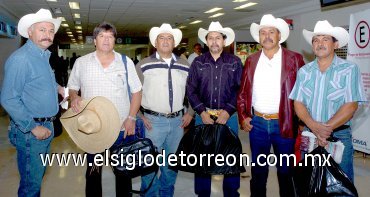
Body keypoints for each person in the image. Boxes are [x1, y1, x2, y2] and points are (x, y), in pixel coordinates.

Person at [67, 21, 142, 197]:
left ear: (115, 40)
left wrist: (131, 118)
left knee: (123, 173)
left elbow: (137, 92)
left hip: (121, 128)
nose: (106, 40)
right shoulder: (82, 62)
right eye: (102, 36)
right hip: (93, 129)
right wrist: (74, 96)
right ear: (94, 40)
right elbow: (72, 87)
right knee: (93, 173)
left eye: (110, 36)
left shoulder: (125, 63)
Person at [289, 20, 367, 182]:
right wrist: (314, 126)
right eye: (316, 40)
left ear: (335, 44)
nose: (320, 43)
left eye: (325, 39)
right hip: (309, 135)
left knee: (340, 184)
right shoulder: (304, 71)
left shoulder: (349, 69)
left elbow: (351, 104)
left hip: (339, 136)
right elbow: (298, 103)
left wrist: (325, 129)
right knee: (308, 182)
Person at [237, 14, 305, 197]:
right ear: (259, 37)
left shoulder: (295, 59)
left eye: (271, 32)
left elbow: (304, 93)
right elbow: (242, 93)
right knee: (258, 172)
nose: (267, 36)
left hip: (284, 124)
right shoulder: (251, 60)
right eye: (263, 32)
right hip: (257, 124)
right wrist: (243, 117)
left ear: (279, 35)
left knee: (285, 172)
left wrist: (301, 122)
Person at [0, 8, 64, 196]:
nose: (48, 35)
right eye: (42, 30)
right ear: (30, 32)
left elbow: (42, 82)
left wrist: (58, 88)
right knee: (31, 184)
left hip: (46, 126)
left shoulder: (42, 56)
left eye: (51, 31)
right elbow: (9, 98)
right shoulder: (22, 59)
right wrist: (32, 126)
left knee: (36, 177)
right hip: (32, 131)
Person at [135, 23, 194, 196]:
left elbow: (193, 91)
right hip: (152, 123)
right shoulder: (144, 65)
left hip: (178, 123)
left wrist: (190, 112)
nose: (166, 41)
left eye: (169, 38)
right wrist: (139, 116)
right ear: (155, 43)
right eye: (162, 38)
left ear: (174, 43)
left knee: (171, 165)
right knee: (149, 165)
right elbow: (133, 92)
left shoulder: (184, 65)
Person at [186, 21, 243, 197]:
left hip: (229, 117)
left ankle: (231, 194)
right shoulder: (198, 62)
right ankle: (202, 194)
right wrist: (201, 112)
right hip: (203, 117)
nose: (214, 41)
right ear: (206, 41)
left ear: (224, 41)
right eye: (211, 38)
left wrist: (228, 111)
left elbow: (240, 89)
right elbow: (190, 90)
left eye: (218, 37)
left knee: (230, 159)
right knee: (202, 160)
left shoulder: (235, 62)